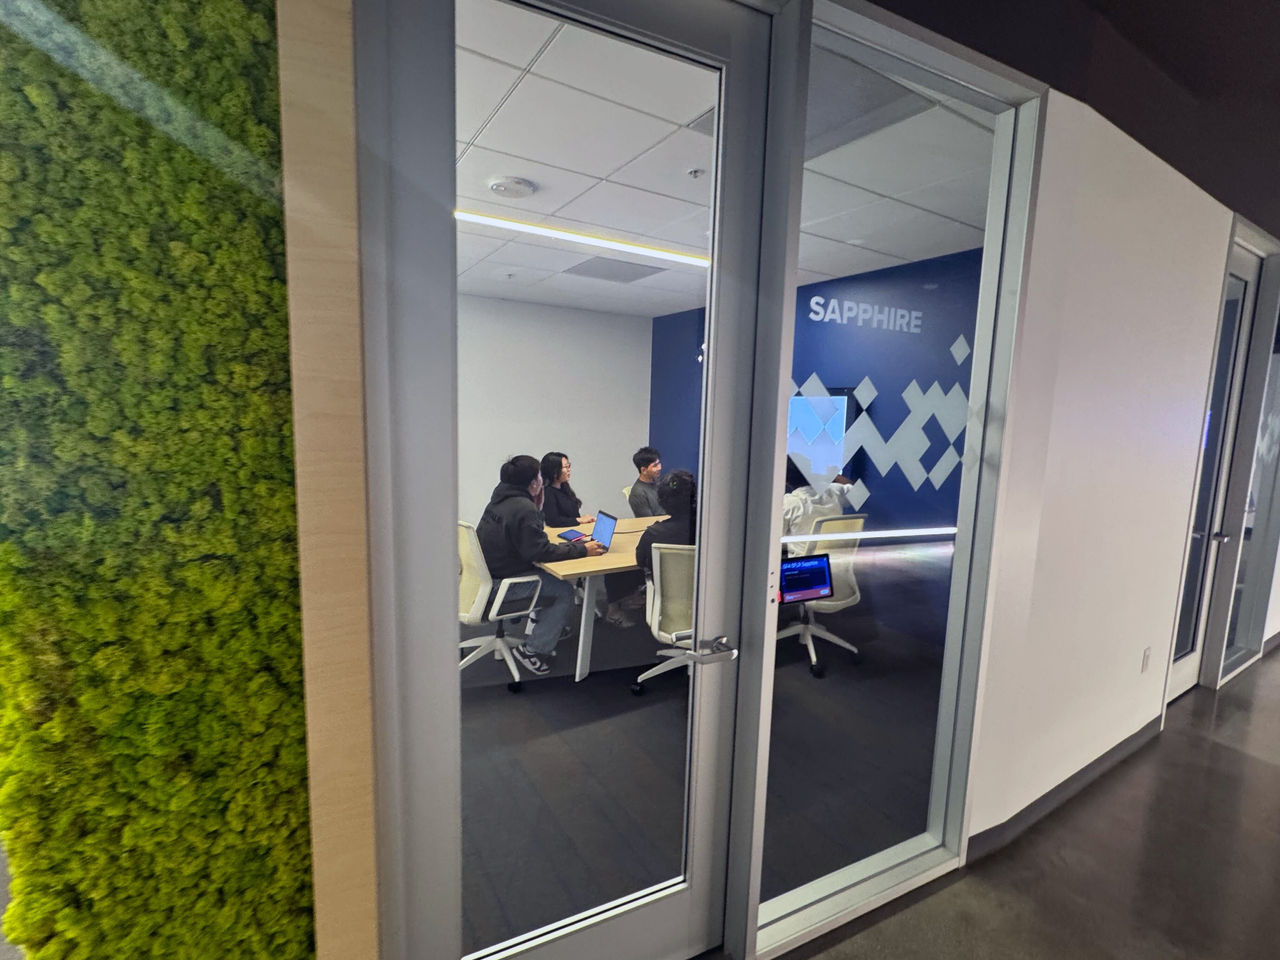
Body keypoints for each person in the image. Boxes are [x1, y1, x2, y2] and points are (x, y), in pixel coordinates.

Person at [475, 455, 604, 676]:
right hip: (502, 583)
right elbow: (540, 552)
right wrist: (583, 549)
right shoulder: (524, 508)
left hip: (486, 576)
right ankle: (532, 650)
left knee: (551, 579)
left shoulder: (498, 499)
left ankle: (548, 629)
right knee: (563, 590)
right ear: (533, 482)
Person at [781, 459, 859, 555]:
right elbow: (859, 492)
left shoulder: (789, 503)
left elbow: (776, 540)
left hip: (804, 566)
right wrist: (832, 475)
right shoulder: (834, 491)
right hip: (838, 564)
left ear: (785, 480)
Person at [636, 469, 697, 580]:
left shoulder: (653, 534)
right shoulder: (707, 530)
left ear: (661, 501)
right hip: (704, 592)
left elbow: (640, 561)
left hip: (666, 594)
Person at [539, 451, 595, 527]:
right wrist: (579, 520)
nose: (569, 470)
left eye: (569, 466)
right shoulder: (547, 492)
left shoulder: (564, 487)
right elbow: (553, 520)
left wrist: (583, 519)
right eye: (566, 467)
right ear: (555, 471)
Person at [628, 446, 663, 517]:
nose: (659, 468)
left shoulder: (659, 481)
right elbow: (649, 523)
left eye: (659, 463)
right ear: (644, 470)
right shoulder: (638, 494)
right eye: (655, 466)